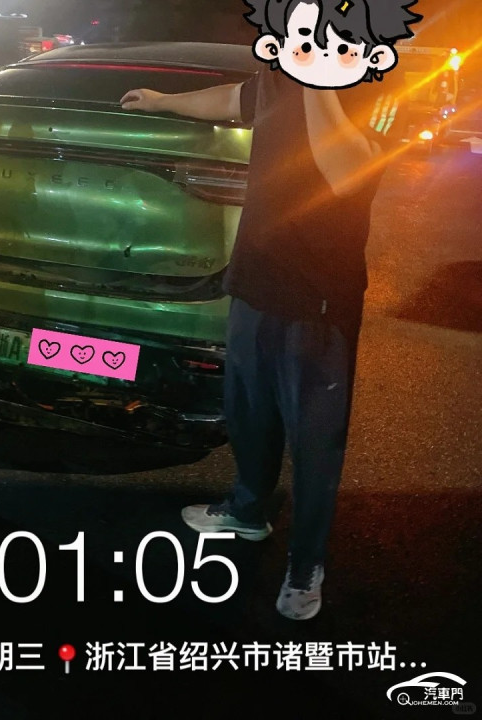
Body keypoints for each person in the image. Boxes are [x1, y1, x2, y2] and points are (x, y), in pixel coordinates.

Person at [120, 0, 419, 620]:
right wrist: (164, 100)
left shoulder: (380, 88)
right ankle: (247, 511)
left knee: (315, 443)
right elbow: (235, 100)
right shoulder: (281, 75)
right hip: (256, 278)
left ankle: (306, 565)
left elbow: (346, 173)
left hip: (318, 298)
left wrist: (317, 82)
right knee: (249, 414)